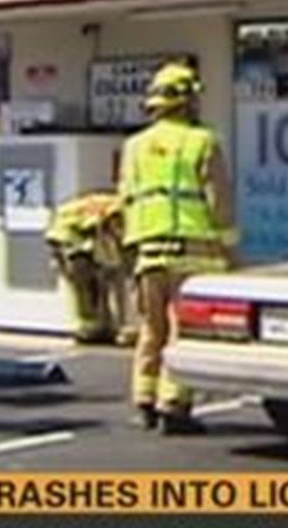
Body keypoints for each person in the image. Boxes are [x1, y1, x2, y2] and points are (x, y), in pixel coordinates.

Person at [120, 61, 236, 435]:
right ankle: (174, 405)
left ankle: (143, 400)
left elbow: (126, 200)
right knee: (181, 331)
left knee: (150, 329)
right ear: (187, 102)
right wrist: (230, 250)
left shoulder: (133, 147)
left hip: (147, 252)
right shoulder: (202, 142)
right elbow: (219, 202)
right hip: (193, 251)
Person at [44, 190, 134, 346]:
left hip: (72, 240)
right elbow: (111, 235)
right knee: (86, 289)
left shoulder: (107, 207)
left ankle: (102, 326)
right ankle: (90, 328)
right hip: (70, 245)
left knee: (99, 285)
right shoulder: (111, 210)